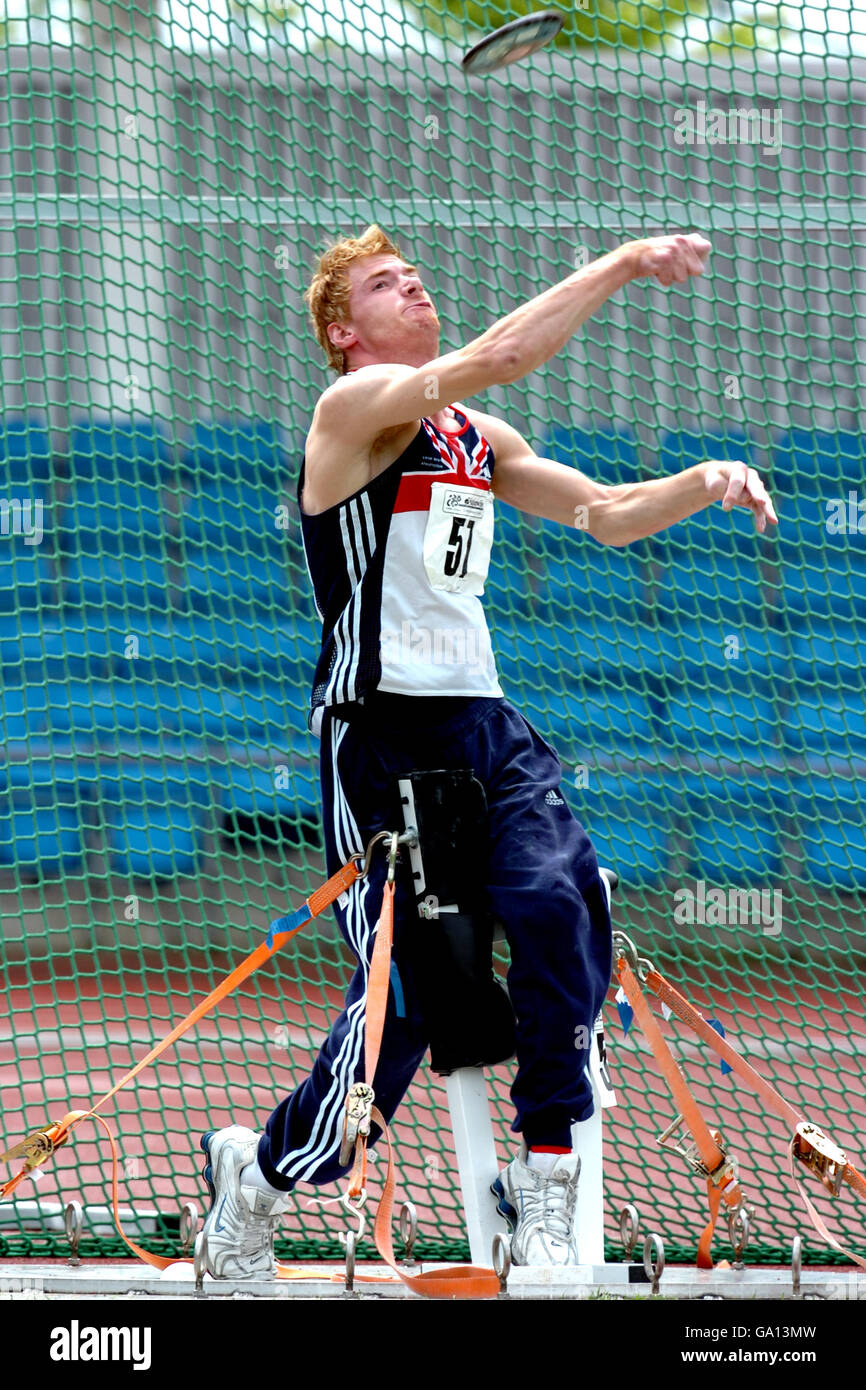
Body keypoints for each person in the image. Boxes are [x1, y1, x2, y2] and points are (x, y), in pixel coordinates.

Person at [198, 225, 778, 1277]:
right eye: (382, 283)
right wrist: (621, 262)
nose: (410, 283)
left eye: (410, 272)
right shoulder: (352, 413)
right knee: (408, 1007)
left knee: (563, 900)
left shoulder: (474, 435)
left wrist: (701, 479)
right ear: (343, 331)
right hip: (378, 738)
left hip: (484, 725)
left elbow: (599, 512)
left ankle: (545, 1179)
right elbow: (501, 353)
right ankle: (260, 1172)